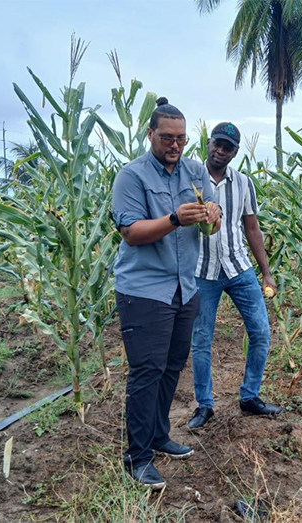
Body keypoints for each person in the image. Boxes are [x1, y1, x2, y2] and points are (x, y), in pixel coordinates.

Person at [112, 98, 222, 489]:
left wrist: (212, 215)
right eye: (166, 138)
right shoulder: (132, 176)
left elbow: (213, 219)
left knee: (173, 366)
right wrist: (174, 218)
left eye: (181, 138)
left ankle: (158, 436)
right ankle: (137, 457)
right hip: (144, 290)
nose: (174, 145)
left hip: (184, 287)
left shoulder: (195, 172)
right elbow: (131, 233)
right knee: (147, 372)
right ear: (150, 134)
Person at [188, 122, 284, 430]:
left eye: (227, 147)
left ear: (235, 152)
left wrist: (266, 273)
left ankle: (249, 397)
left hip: (238, 267)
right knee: (201, 339)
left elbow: (251, 228)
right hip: (202, 271)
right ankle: (204, 405)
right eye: (217, 143)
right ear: (208, 143)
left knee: (261, 332)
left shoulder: (243, 183)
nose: (220, 150)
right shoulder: (190, 179)